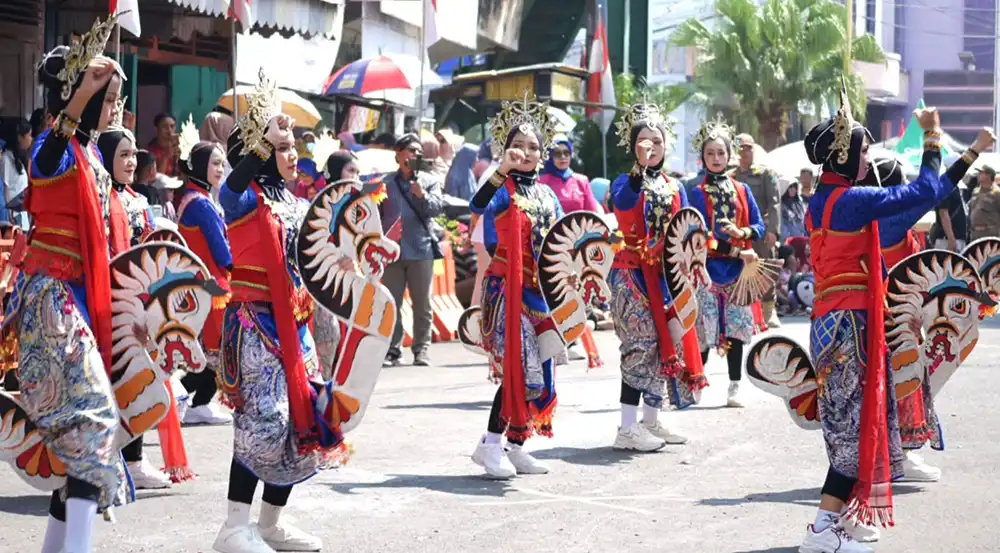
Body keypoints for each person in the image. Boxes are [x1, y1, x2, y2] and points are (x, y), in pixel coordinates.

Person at [798, 89, 993, 552]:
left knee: (854, 425)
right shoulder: (851, 202)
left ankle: (835, 521)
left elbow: (928, 196)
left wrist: (971, 153)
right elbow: (924, 192)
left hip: (835, 320)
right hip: (850, 326)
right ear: (845, 155)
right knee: (853, 430)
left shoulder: (826, 202)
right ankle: (822, 531)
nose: (868, 160)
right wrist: (932, 136)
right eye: (864, 151)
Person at [6, 17, 131, 552]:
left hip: (82, 298)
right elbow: (52, 151)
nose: (115, 110)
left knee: (80, 436)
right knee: (93, 422)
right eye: (109, 100)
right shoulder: (50, 149)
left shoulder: (93, 155)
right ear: (79, 97)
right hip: (53, 302)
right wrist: (79, 98)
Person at [213, 73, 346, 553]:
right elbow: (229, 189)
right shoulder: (243, 197)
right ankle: (233, 526)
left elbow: (314, 260)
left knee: (301, 421)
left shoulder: (295, 202)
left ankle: (270, 523)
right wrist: (261, 140)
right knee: (262, 423)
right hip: (255, 325)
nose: (292, 155)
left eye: (292, 147)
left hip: (298, 325)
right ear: (260, 151)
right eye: (283, 147)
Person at [468, 92, 564, 479]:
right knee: (518, 371)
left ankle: (515, 445)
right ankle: (491, 445)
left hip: (541, 294)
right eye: (518, 146)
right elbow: (477, 206)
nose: (526, 152)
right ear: (506, 150)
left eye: (533, 146)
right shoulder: (501, 189)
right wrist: (502, 169)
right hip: (507, 291)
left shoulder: (547, 194)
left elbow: (561, 240)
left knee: (543, 372)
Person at [607, 101, 707, 452]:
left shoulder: (676, 187)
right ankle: (626, 427)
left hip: (668, 276)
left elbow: (688, 227)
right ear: (633, 147)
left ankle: (650, 420)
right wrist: (639, 168)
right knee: (640, 346)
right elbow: (623, 203)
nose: (651, 147)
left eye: (657, 141)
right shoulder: (624, 182)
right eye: (643, 141)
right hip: (632, 273)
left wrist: (696, 262)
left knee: (666, 344)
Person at [688, 116, 766, 408]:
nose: (716, 158)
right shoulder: (694, 191)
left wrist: (741, 233)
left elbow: (758, 227)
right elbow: (699, 235)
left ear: (729, 155)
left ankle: (734, 386)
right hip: (705, 271)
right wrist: (736, 250)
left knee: (735, 330)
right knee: (703, 329)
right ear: (703, 157)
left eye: (721, 152)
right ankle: (695, 382)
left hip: (737, 273)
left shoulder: (742, 190)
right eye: (710, 153)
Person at [175, 140, 234, 427]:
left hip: (199, 284)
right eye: (214, 163)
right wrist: (238, 268)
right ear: (200, 166)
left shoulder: (192, 198)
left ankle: (195, 402)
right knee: (217, 350)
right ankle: (184, 398)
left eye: (222, 163)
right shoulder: (201, 204)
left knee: (211, 351)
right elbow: (221, 251)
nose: (220, 169)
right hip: (212, 286)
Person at [380, 133, 447, 367]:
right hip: (393, 252)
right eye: (411, 150)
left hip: (420, 249)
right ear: (398, 154)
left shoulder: (429, 180)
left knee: (422, 303)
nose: (415, 154)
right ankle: (392, 349)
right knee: (392, 303)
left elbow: (437, 208)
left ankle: (421, 349)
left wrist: (422, 195)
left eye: (419, 151)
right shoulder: (385, 183)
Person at [732, 133, 781, 328]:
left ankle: (769, 310)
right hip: (738, 231)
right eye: (741, 148)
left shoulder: (765, 173)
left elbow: (774, 203)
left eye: (748, 148)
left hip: (760, 230)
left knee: (765, 268)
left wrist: (773, 230)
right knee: (740, 271)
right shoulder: (731, 176)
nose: (745, 152)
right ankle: (746, 312)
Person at [538, 133, 601, 213]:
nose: (563, 157)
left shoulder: (582, 181)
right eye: (557, 153)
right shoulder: (541, 182)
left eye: (566, 153)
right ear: (551, 156)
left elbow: (592, 212)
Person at [0, 117, 31, 228]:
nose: (31, 139)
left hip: (22, 215)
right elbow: (5, 189)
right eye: (29, 135)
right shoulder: (6, 159)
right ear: (20, 137)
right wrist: (8, 214)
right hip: (13, 216)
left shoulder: (18, 159)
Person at [968, 166, 1000, 240]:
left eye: (981, 173)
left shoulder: (997, 193)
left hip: (990, 234)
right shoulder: (975, 192)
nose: (978, 175)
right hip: (974, 234)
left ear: (988, 175)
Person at [148, 112, 179, 177]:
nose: (169, 131)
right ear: (156, 129)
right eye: (165, 127)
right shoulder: (150, 153)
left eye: (172, 126)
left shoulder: (180, 148)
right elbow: (156, 179)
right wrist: (166, 157)